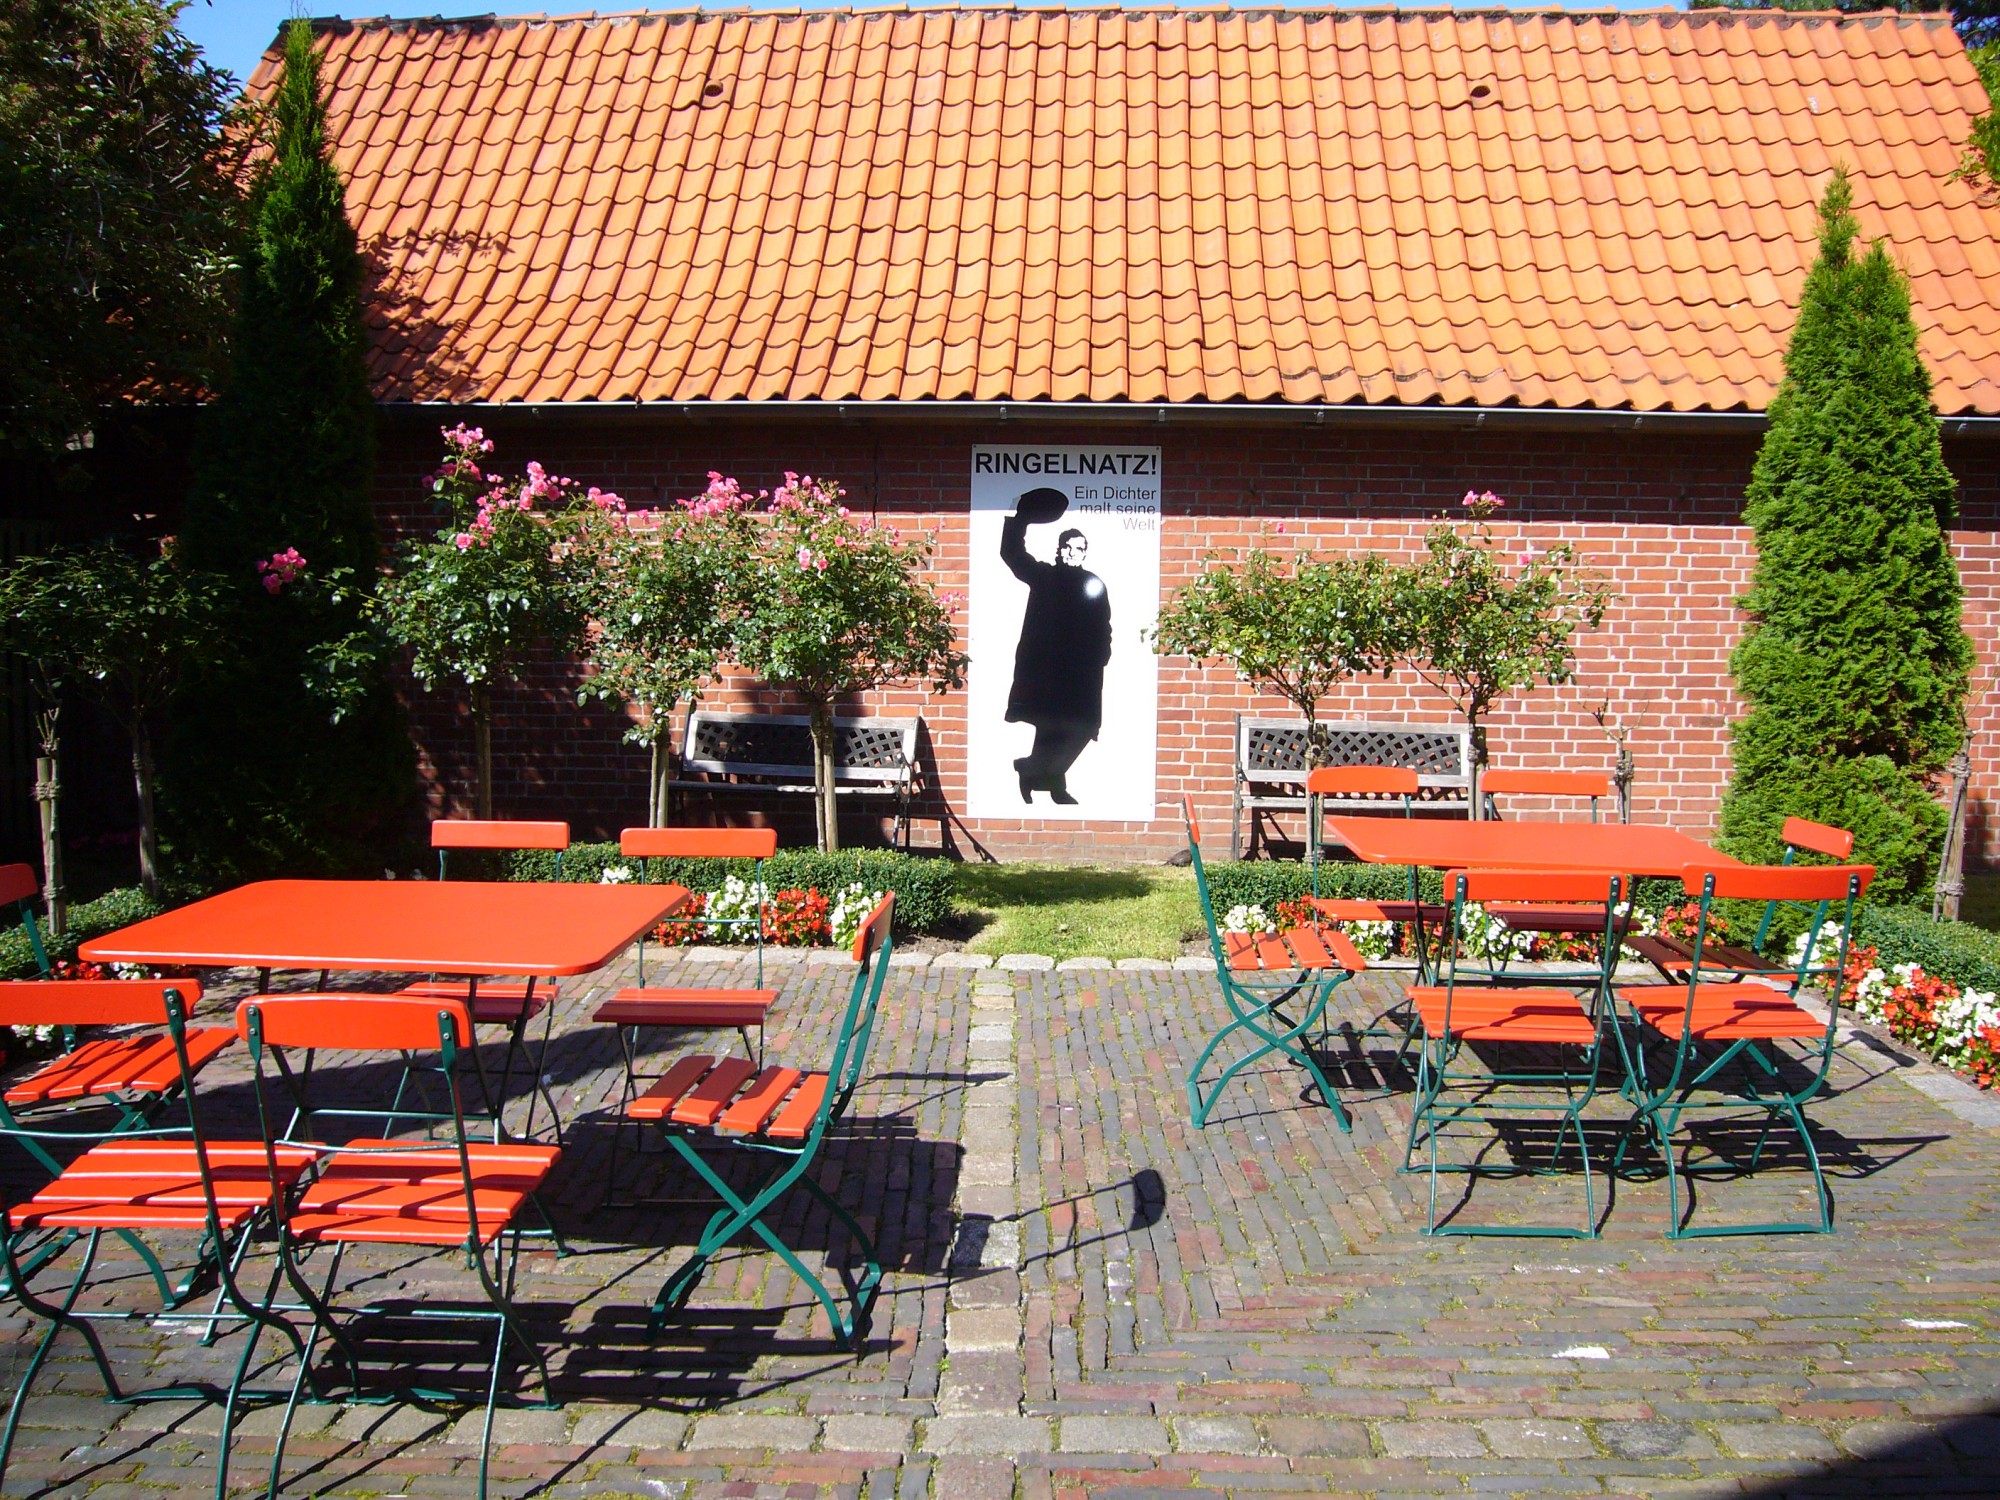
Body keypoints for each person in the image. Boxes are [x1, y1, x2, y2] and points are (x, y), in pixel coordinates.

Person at [1000, 490, 1113, 804]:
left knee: (1083, 726)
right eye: (1070, 547)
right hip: (1047, 671)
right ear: (1060, 550)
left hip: (1082, 673)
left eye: (1081, 548)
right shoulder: (1044, 576)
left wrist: (1103, 653)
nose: (1075, 553)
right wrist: (1019, 519)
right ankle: (1053, 785)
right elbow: (1011, 553)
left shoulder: (1094, 583)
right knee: (1051, 725)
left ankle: (1030, 769)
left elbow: (1104, 624)